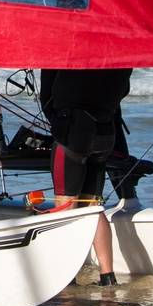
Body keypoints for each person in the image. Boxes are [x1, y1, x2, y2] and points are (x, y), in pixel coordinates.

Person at [39, 66, 131, 286]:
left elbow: (46, 96)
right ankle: (107, 276)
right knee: (92, 205)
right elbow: (123, 91)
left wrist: (58, 124)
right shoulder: (120, 56)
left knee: (65, 205)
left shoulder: (66, 52)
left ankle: (67, 276)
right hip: (106, 131)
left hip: (74, 129)